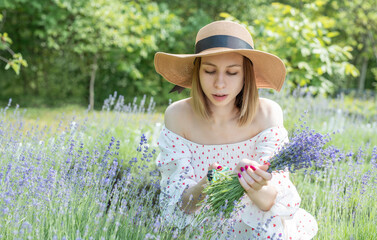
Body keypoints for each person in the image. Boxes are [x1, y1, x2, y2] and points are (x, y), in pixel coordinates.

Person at [154, 20, 318, 239]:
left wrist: (251, 183)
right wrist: (208, 183)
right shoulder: (177, 116)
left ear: (245, 75)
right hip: (202, 227)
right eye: (210, 71)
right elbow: (181, 205)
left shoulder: (268, 114)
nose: (220, 84)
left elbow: (272, 201)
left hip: (256, 225)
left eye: (232, 73)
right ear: (197, 72)